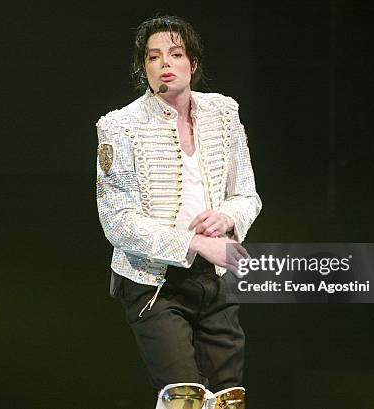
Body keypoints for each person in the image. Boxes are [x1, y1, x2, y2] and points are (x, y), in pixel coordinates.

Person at [95, 15, 261, 409]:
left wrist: (227, 217)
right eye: (153, 57)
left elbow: (247, 194)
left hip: (214, 279)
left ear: (194, 63)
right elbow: (117, 221)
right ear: (144, 68)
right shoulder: (119, 126)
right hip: (153, 282)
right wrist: (196, 243)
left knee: (228, 400)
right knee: (183, 399)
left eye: (175, 53)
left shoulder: (223, 113)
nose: (164, 63)